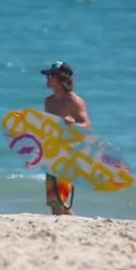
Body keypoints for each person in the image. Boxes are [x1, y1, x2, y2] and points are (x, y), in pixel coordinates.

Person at [40, 61, 92, 216]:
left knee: (59, 201)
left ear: (61, 78)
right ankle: (75, 226)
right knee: (55, 203)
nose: (47, 78)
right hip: (52, 154)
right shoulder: (48, 101)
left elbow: (87, 126)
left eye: (51, 75)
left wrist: (74, 123)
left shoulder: (74, 101)